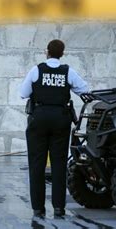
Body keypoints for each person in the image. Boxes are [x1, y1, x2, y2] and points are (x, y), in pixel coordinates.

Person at [20, 39, 89, 218]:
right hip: (60, 119)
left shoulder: (36, 70)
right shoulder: (68, 72)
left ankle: (38, 208)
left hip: (39, 118)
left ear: (47, 52)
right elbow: (84, 90)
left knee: (37, 165)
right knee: (59, 165)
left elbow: (23, 93)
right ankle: (59, 207)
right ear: (62, 53)